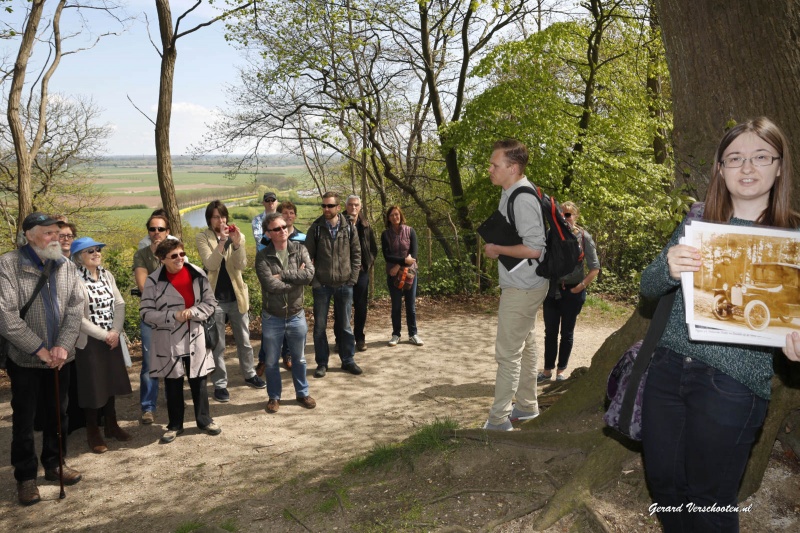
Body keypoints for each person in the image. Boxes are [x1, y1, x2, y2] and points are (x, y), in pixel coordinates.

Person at [641, 117, 800, 532]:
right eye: (735, 159)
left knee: (710, 501)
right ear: (721, 169)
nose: (747, 168)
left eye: (761, 157)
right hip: (666, 372)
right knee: (665, 487)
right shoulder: (697, 222)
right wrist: (668, 267)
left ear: (779, 166)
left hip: (732, 385)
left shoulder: (794, 237)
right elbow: (648, 286)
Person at [0, 212, 85, 506]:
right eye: (48, 232)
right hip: (25, 359)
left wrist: (62, 346)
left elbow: (76, 307)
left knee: (59, 414)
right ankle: (26, 478)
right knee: (24, 420)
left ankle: (55, 464)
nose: (56, 238)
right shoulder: (8, 264)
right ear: (30, 235)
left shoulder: (65, 265)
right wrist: (39, 349)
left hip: (61, 359)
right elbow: (6, 318)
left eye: (57, 231)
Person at [482, 139, 548, 431]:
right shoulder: (511, 193)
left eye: (495, 165)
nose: (490, 169)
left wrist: (497, 249)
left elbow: (535, 248)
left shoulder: (521, 198)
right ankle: (527, 406)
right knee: (526, 345)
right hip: (528, 283)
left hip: (522, 287)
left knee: (508, 352)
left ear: (513, 167)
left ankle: (498, 420)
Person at [140, 239, 222, 444]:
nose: (180, 259)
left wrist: (193, 311)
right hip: (168, 339)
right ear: (162, 259)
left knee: (199, 379)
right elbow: (145, 313)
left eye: (182, 254)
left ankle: (204, 420)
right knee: (173, 382)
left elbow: (210, 302)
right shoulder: (152, 281)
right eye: (174, 256)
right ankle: (174, 425)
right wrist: (172, 316)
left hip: (195, 334)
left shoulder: (197, 274)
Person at [196, 200, 265, 403]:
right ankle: (220, 384)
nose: (221, 220)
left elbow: (241, 264)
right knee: (218, 344)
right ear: (210, 219)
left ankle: (250, 374)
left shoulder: (239, 236)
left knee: (244, 340)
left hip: (236, 296)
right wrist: (221, 243)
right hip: (214, 299)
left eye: (223, 216)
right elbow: (210, 264)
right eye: (216, 216)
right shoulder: (203, 237)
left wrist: (236, 244)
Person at [71, 237, 133, 453]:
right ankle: (92, 431)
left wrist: (114, 332)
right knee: (92, 386)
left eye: (97, 250)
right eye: (90, 251)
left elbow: (120, 303)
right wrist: (103, 335)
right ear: (79, 257)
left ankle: (111, 425)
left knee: (111, 383)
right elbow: (77, 317)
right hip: (89, 342)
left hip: (112, 339)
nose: (96, 253)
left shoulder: (107, 275)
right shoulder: (75, 280)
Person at [256, 213, 317, 413]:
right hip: (272, 316)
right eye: (277, 229)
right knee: (272, 361)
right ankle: (274, 397)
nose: (282, 231)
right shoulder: (263, 256)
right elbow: (269, 284)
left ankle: (302, 393)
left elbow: (308, 275)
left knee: (299, 358)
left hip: (296, 314)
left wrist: (283, 274)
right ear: (268, 233)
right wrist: (295, 280)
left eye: (284, 227)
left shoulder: (300, 249)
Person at [538, 201, 600, 382]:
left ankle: (561, 372)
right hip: (552, 291)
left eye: (568, 215)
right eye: (561, 215)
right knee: (550, 332)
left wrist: (581, 286)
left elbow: (595, 267)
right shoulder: (551, 235)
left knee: (567, 333)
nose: (565, 218)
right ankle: (547, 371)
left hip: (573, 293)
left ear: (575, 216)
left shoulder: (583, 237)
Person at [305, 191, 363, 377]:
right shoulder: (315, 228)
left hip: (344, 285)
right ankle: (322, 363)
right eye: (323, 205)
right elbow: (306, 257)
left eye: (330, 206)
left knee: (345, 326)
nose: (326, 209)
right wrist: (314, 281)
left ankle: (348, 360)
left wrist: (352, 280)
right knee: (320, 327)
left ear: (338, 207)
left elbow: (356, 255)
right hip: (322, 286)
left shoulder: (349, 228)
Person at [132, 212, 171, 424]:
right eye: (152, 229)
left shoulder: (176, 252)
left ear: (167, 232)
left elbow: (181, 283)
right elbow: (143, 286)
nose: (156, 233)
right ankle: (148, 407)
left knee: (173, 358)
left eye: (160, 229)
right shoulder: (141, 254)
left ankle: (172, 398)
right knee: (149, 363)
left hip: (173, 316)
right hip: (150, 315)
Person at [381, 205, 423, 347]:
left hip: (409, 274)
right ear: (388, 218)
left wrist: (400, 265)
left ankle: (413, 334)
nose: (395, 217)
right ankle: (396, 334)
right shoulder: (385, 234)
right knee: (396, 306)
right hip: (393, 275)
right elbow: (387, 256)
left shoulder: (410, 231)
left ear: (401, 215)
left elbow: (414, 254)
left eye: (397, 214)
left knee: (410, 305)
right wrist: (402, 261)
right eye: (392, 215)